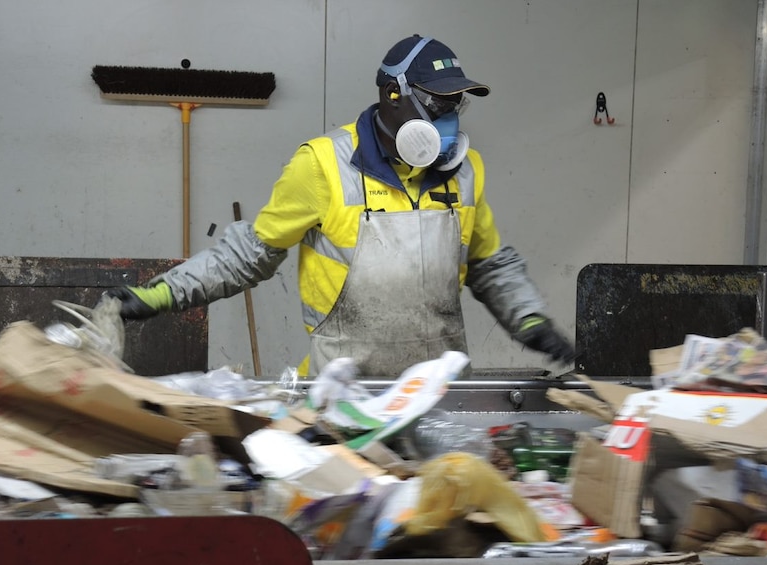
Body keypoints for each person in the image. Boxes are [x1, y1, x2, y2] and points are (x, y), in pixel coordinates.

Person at [107, 34, 574, 378]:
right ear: (393, 96)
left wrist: (528, 318)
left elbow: (490, 264)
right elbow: (247, 256)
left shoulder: (465, 170)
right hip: (343, 400)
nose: (447, 119)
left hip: (440, 395)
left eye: (456, 106)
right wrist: (161, 295)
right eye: (436, 104)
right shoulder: (324, 165)